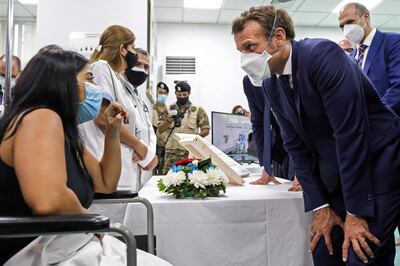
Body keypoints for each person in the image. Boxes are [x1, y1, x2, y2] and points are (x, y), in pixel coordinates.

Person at [233, 5, 400, 265]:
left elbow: (350, 135)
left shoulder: (322, 55)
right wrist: (321, 207)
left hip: (377, 166)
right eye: (241, 51)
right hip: (338, 175)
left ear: (278, 37)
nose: (245, 59)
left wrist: (355, 212)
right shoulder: (270, 84)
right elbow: (295, 146)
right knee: (324, 251)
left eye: (250, 47)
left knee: (360, 254)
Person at [0, 47, 126, 263]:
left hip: (58, 244)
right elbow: (49, 201)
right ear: (64, 83)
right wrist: (92, 220)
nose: (96, 88)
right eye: (89, 78)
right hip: (31, 250)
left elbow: (106, 183)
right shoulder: (41, 118)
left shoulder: (65, 132)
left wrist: (112, 133)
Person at [79, 25, 157, 192]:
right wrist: (138, 145)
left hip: (126, 169)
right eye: (133, 48)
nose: (135, 54)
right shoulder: (101, 68)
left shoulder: (120, 80)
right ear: (122, 49)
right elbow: (103, 119)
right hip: (106, 163)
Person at [339, 2, 400, 116]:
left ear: (366, 17)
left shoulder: (393, 42)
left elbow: (398, 86)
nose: (346, 29)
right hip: (363, 126)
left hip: (390, 124)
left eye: (350, 22)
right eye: (342, 26)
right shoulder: (351, 57)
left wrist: (377, 117)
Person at [242, 75, 300, 191]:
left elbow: (299, 124)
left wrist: (301, 171)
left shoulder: (287, 75)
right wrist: (266, 166)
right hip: (280, 149)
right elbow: (258, 124)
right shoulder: (249, 81)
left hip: (302, 144)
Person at [157, 81, 210, 174]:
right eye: (179, 94)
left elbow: (206, 130)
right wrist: (168, 121)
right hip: (171, 154)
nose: (181, 97)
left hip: (189, 152)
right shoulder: (168, 108)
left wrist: (194, 139)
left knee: (189, 180)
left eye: (184, 94)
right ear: (175, 94)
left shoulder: (197, 110)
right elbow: (160, 130)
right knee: (169, 180)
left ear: (189, 93)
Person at [124, 47, 157, 187]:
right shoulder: (119, 90)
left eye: (146, 67)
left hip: (142, 168)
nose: (142, 70)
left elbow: (149, 131)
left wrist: (151, 157)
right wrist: (148, 158)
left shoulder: (139, 97)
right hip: (128, 166)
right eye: (138, 64)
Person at [152, 82, 170, 174]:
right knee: (154, 173)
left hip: (166, 146)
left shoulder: (169, 110)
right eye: (160, 92)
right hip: (155, 146)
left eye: (164, 93)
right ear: (155, 93)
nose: (162, 95)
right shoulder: (152, 109)